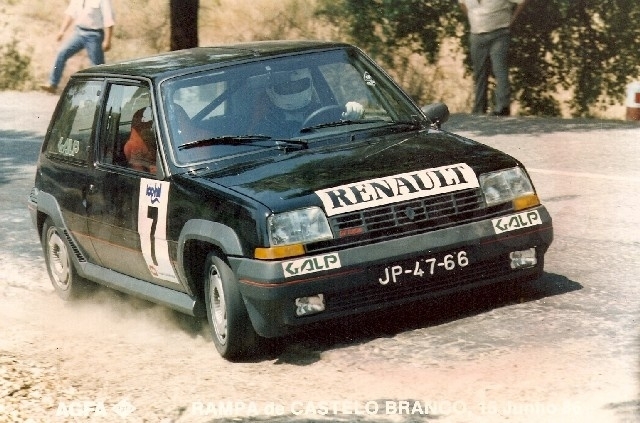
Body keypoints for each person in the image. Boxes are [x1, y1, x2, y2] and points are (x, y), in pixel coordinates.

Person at [459, 0, 527, 116]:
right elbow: (462, 4)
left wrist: (511, 21)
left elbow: (522, 2)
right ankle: (479, 109)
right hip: (477, 35)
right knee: (479, 73)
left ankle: (502, 107)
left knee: (499, 69)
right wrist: (474, 20)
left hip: (499, 34)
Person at [252, 69, 364, 138]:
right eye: (286, 86)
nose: (293, 90)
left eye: (299, 84)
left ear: (310, 83)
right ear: (271, 90)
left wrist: (353, 111)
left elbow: (344, 132)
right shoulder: (266, 125)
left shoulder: (326, 112)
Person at [40, 0, 115, 94]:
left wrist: (108, 40)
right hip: (78, 33)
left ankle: (104, 92)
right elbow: (70, 14)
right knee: (62, 53)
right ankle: (52, 84)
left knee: (97, 65)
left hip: (94, 35)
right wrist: (62, 31)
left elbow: (109, 19)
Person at [124, 107, 157, 174]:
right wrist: (155, 171)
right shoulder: (135, 145)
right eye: (146, 124)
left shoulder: (148, 138)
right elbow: (138, 170)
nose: (150, 127)